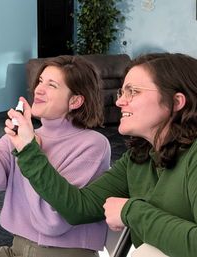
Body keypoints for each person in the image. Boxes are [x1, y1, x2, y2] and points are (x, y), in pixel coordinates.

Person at [12, 53, 197, 257]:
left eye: (133, 92)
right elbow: (79, 208)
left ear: (177, 102)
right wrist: (29, 150)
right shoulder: (138, 158)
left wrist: (131, 211)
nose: (119, 102)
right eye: (122, 92)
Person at [0, 56, 111, 257]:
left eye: (52, 85)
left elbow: (53, 222)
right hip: (17, 250)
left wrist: (29, 151)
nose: (39, 90)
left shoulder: (92, 144)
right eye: (40, 81)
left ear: (75, 100)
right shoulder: (25, 135)